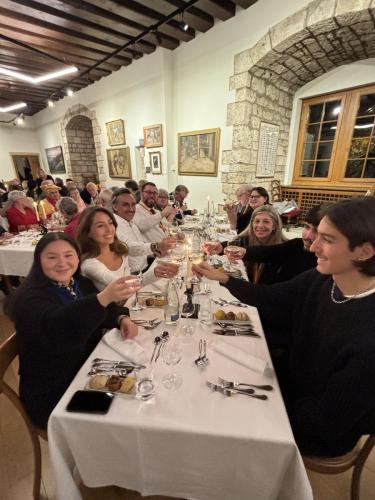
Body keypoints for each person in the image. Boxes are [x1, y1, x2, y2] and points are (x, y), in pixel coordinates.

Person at [193, 197, 375, 457]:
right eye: (316, 235)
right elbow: (269, 298)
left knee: (215, 422)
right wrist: (223, 278)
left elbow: (326, 421)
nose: (314, 247)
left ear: (364, 252)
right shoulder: (324, 280)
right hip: (291, 387)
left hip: (317, 428)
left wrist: (259, 406)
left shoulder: (368, 339)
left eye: (328, 240)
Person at [6, 232, 139, 428]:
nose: (62, 263)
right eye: (52, 257)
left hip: (86, 367)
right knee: (127, 415)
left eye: (69, 255)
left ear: (78, 257)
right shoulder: (29, 299)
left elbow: (106, 309)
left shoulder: (78, 283)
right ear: (38, 261)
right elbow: (61, 329)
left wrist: (122, 318)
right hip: (55, 390)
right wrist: (102, 298)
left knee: (139, 388)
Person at [209, 205, 321, 285]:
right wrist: (219, 248)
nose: (260, 226)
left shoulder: (285, 247)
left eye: (266, 221)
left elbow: (266, 253)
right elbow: (229, 246)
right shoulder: (244, 241)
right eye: (256, 221)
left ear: (275, 225)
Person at [77, 207, 179, 292]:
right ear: (87, 233)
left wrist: (157, 271)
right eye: (100, 226)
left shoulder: (119, 251)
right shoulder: (90, 264)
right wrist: (154, 273)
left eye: (110, 223)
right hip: (113, 314)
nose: (109, 229)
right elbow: (125, 285)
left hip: (131, 303)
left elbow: (133, 285)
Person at [112, 189, 176, 272]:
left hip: (146, 267)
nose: (131, 209)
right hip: (133, 274)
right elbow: (128, 247)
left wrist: (154, 253)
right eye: (125, 205)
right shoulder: (113, 224)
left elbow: (140, 245)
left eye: (133, 205)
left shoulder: (130, 221)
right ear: (115, 206)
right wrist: (156, 246)